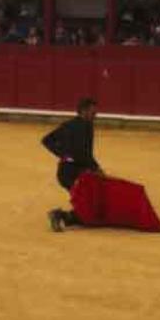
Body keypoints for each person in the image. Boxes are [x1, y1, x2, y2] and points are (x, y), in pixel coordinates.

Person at [42, 98, 104, 232]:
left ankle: (64, 217)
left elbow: (47, 140)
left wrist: (64, 155)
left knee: (88, 204)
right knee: (86, 204)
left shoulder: (79, 125)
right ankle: (59, 216)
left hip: (75, 171)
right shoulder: (77, 126)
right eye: (93, 113)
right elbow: (84, 153)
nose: (95, 116)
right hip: (69, 173)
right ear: (84, 111)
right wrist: (64, 155)